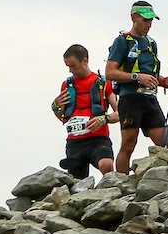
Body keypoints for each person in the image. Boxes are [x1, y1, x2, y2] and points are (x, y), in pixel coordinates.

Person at [104, 1, 168, 173]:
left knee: (165, 144)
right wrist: (138, 77)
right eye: (145, 20)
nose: (149, 24)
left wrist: (164, 80)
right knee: (129, 144)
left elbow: (150, 74)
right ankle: (120, 184)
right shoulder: (122, 41)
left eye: (151, 20)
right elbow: (110, 72)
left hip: (150, 99)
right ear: (134, 18)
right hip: (130, 98)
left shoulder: (151, 43)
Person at [51, 44, 119, 179]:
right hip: (75, 141)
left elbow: (120, 112)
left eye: (73, 66)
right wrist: (55, 107)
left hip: (98, 139)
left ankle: (110, 191)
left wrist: (103, 119)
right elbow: (63, 118)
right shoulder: (67, 85)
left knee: (106, 165)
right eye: (68, 66)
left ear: (85, 61)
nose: (70, 70)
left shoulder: (103, 83)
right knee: (75, 182)